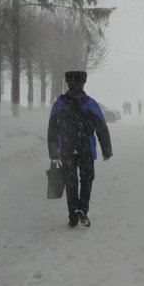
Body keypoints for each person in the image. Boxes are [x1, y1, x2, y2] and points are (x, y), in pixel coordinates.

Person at [48, 71, 113, 228]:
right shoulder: (90, 104)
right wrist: (106, 149)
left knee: (74, 182)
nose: (76, 86)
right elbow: (101, 128)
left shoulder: (61, 103)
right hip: (85, 149)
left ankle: (75, 214)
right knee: (86, 180)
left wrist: (54, 150)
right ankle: (81, 210)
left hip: (69, 150)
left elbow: (52, 129)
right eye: (74, 83)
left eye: (78, 83)